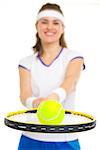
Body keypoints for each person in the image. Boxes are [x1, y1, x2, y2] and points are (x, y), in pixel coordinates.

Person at [18, 3, 85, 150]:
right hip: (31, 137)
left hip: (65, 139)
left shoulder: (74, 57)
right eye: (44, 22)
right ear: (37, 26)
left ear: (62, 29)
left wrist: (53, 98)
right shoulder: (26, 62)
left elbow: (71, 82)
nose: (50, 27)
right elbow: (25, 95)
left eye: (56, 23)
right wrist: (36, 103)